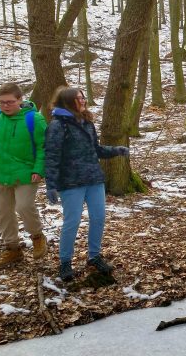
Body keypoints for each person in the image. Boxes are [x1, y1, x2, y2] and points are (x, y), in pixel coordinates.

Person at [45, 87, 129, 281]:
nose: (83, 101)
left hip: (94, 179)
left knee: (98, 217)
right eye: (78, 99)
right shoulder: (58, 125)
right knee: (72, 222)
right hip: (70, 182)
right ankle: (65, 263)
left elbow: (96, 150)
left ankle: (94, 256)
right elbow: (51, 156)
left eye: (83, 97)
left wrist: (116, 150)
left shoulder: (87, 122)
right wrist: (51, 184)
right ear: (67, 102)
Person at [0, 83, 48, 267]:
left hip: (26, 173)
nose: (5, 106)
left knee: (24, 206)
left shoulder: (34, 119)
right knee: (2, 212)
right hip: (0, 172)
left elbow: (44, 147)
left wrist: (39, 169)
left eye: (10, 102)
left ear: (20, 100)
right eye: (1, 102)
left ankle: (37, 236)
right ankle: (12, 249)